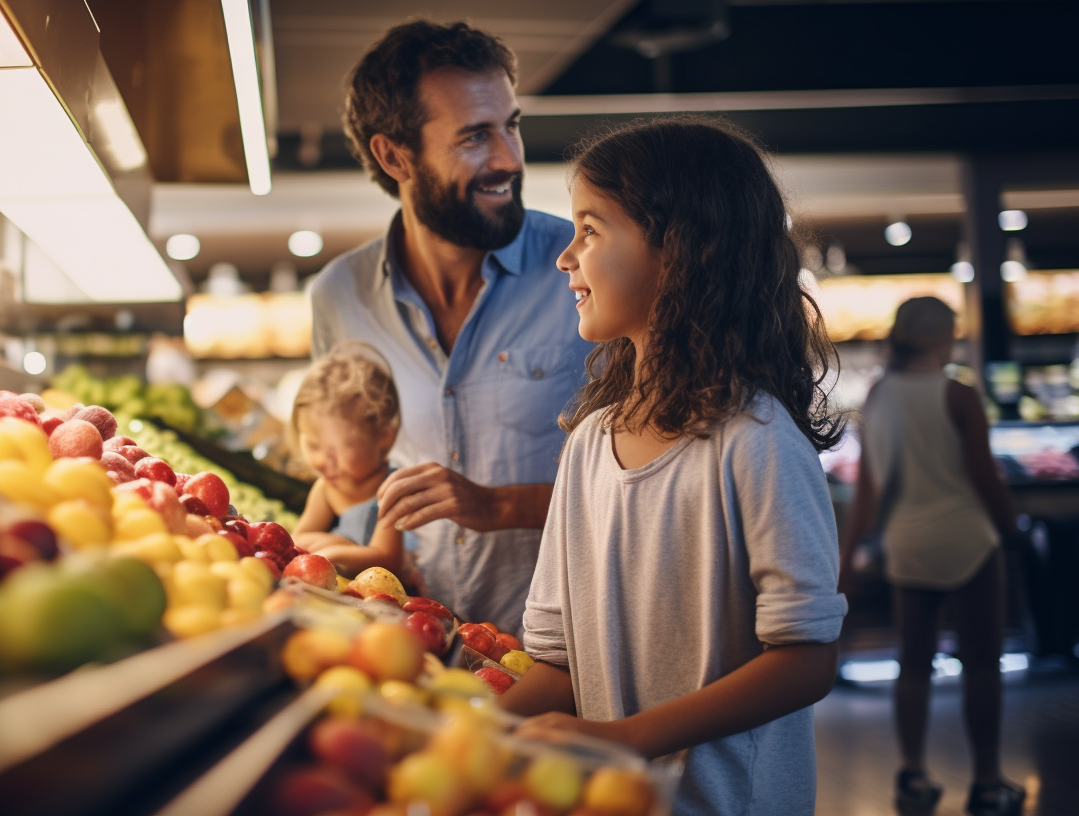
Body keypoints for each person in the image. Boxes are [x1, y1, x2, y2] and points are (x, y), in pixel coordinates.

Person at [501, 118, 849, 816]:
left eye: (591, 230)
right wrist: (468, 728)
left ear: (682, 250)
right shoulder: (589, 444)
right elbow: (558, 661)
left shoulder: (754, 440)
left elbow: (806, 659)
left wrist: (625, 738)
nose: (565, 257)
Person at [309, 21, 591, 637]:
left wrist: (496, 505)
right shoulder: (339, 297)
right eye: (474, 136)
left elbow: (651, 483)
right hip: (421, 648)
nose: (508, 158)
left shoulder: (583, 270)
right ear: (394, 156)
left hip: (574, 656)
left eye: (511, 125)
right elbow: (343, 470)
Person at [839, 297, 1024, 816]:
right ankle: (987, 781)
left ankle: (912, 775)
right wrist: (1011, 530)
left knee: (913, 667)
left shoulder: (878, 397)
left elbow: (868, 491)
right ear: (944, 337)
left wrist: (847, 558)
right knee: (982, 666)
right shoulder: (959, 396)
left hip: (908, 547)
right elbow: (986, 476)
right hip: (970, 544)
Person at [290, 343, 411, 582]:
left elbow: (388, 559)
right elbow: (297, 540)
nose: (322, 462)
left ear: (383, 437)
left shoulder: (392, 490)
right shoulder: (326, 489)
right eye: (313, 446)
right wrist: (329, 545)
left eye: (339, 450)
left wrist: (336, 550)